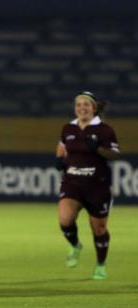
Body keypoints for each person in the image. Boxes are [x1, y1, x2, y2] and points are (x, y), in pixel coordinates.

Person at [55, 91, 120, 280]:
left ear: (93, 108)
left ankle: (100, 265)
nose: (82, 108)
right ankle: (75, 245)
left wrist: (97, 149)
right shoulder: (68, 128)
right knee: (65, 220)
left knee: (98, 228)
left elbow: (116, 155)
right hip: (72, 182)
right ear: (75, 109)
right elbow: (62, 145)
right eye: (78, 105)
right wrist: (59, 159)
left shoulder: (104, 130)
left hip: (97, 186)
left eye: (86, 105)